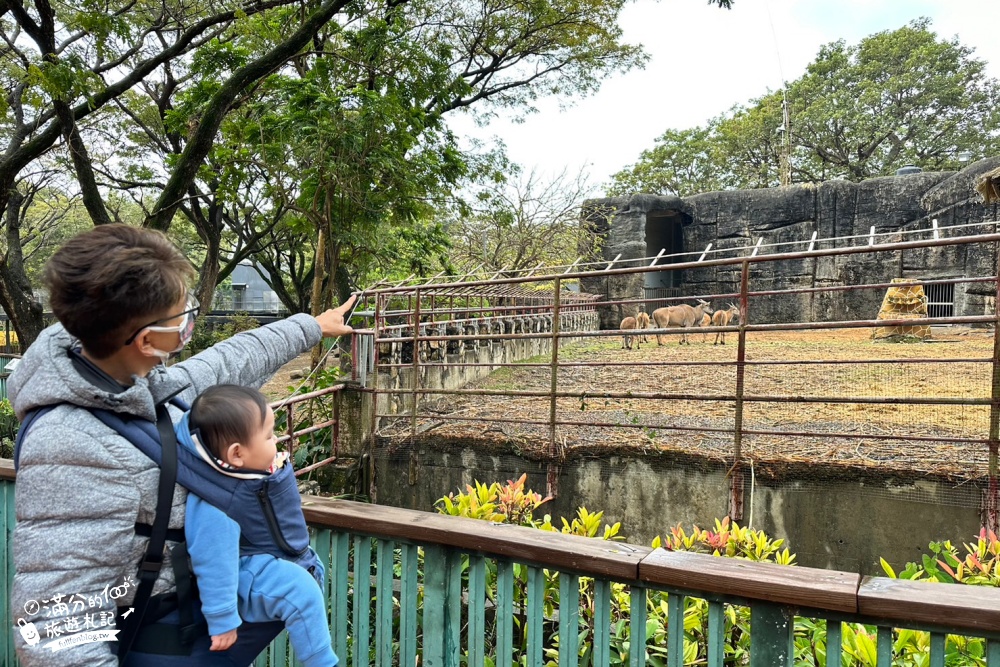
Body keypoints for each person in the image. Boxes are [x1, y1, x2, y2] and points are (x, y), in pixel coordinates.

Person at [9, 224, 354, 666]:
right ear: (148, 340)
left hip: (195, 624)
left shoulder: (136, 384)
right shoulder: (68, 445)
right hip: (168, 640)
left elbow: (228, 361)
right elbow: (58, 622)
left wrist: (311, 326)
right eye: (182, 320)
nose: (189, 327)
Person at [177, 384, 336, 667]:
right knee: (302, 591)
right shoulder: (217, 500)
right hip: (243, 578)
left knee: (306, 581)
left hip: (263, 562)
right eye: (269, 436)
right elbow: (212, 560)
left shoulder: (239, 475)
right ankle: (323, 662)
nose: (277, 440)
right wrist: (222, 619)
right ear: (236, 454)